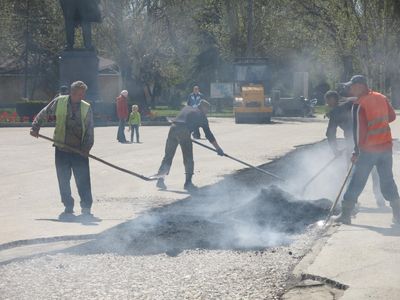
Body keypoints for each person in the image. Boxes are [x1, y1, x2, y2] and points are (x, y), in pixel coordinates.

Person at [333, 75, 400, 225]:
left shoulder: (359, 104)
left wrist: (356, 151)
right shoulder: (381, 97)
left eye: (352, 86)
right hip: (385, 148)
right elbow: (392, 117)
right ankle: (397, 215)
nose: (349, 88)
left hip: (368, 151)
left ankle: (345, 215)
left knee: (357, 181)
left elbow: (358, 132)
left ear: (361, 86)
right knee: (387, 180)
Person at [30, 81, 95, 219]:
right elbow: (44, 112)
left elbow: (89, 130)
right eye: (79, 94)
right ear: (72, 93)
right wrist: (35, 126)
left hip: (79, 151)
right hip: (62, 149)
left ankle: (86, 206)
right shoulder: (59, 101)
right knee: (63, 180)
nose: (82, 97)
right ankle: (68, 205)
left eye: (83, 94)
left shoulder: (86, 107)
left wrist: (86, 148)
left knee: (83, 180)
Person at [324, 90, 386, 208]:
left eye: (329, 102)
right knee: (373, 170)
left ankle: (352, 202)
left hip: (358, 144)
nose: (328, 105)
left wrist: (335, 151)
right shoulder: (351, 102)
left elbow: (330, 134)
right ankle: (379, 198)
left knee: (353, 173)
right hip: (369, 141)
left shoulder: (336, 111)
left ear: (332, 100)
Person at [155, 100, 224, 191]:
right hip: (184, 131)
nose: (207, 112)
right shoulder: (201, 116)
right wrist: (218, 148)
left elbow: (185, 120)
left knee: (168, 155)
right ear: (203, 107)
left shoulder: (187, 108)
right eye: (207, 109)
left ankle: (160, 179)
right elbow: (208, 135)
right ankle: (188, 183)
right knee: (188, 158)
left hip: (173, 128)